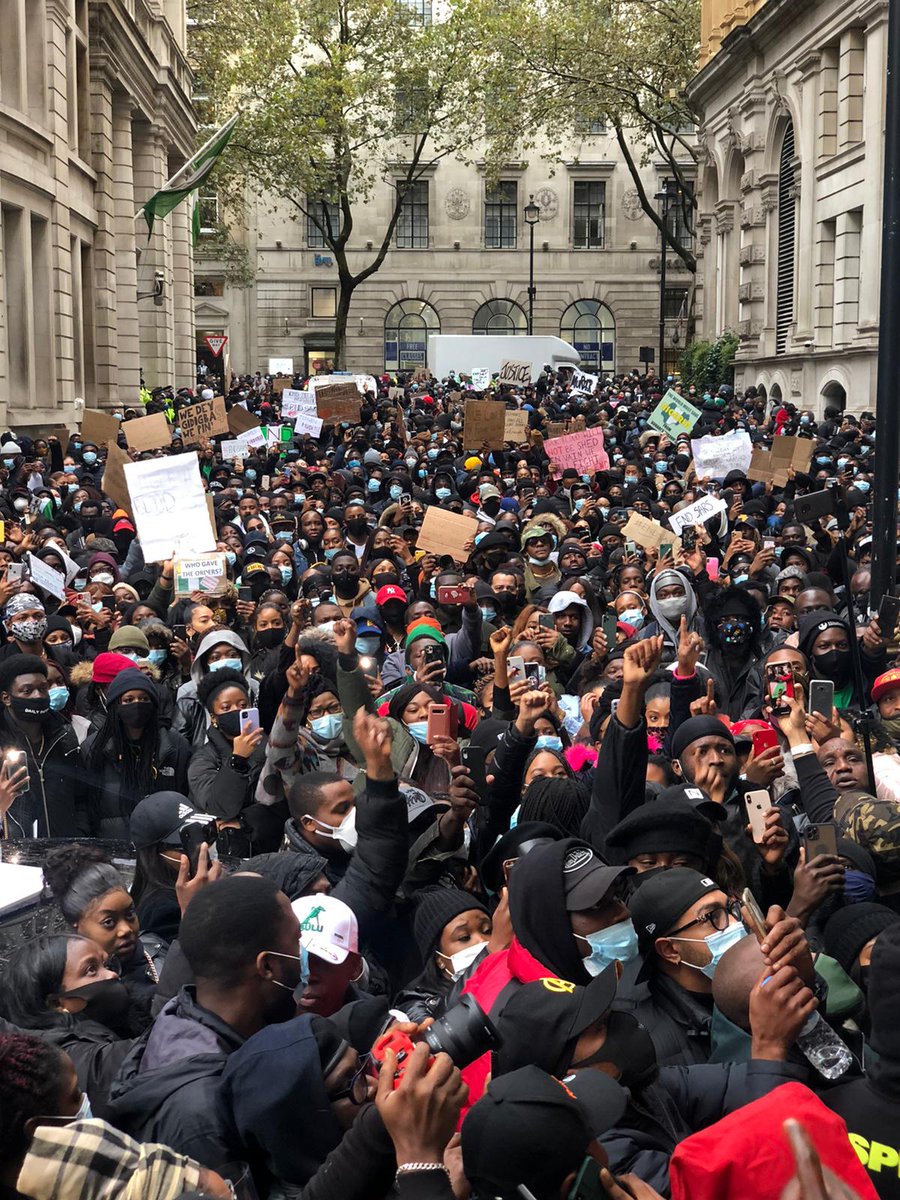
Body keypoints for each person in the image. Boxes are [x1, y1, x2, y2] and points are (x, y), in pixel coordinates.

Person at [106, 875, 305, 1167]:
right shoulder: (201, 1115)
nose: (302, 955)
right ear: (267, 965)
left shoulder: (182, 1016)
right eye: (297, 941)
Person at [0, 937, 134, 1118]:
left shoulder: (112, 1026)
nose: (111, 975)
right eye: (92, 970)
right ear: (56, 1003)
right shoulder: (69, 1058)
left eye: (106, 964)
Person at [82, 667, 190, 839]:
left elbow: (184, 798)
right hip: (112, 847)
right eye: (128, 699)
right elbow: (85, 804)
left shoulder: (175, 745)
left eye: (144, 698)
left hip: (161, 847)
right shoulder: (94, 748)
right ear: (116, 705)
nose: (137, 704)